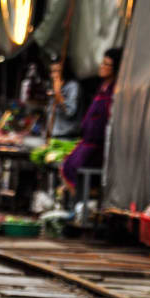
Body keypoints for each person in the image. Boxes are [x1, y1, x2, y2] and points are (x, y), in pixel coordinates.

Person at [61, 48, 123, 193]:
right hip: (86, 142)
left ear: (115, 69)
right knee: (67, 164)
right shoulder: (101, 88)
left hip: (97, 146)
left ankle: (83, 204)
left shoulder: (114, 91)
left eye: (107, 64)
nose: (102, 67)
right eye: (103, 63)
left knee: (75, 166)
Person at [47, 58, 80, 139]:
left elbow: (70, 112)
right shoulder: (53, 87)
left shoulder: (72, 86)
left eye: (57, 71)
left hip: (66, 137)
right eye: (52, 71)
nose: (54, 75)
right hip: (53, 136)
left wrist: (58, 94)